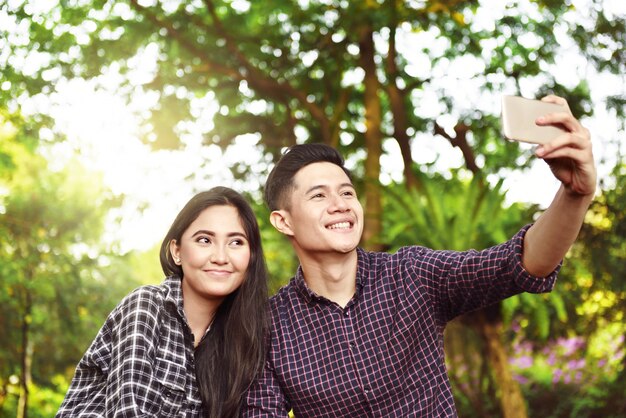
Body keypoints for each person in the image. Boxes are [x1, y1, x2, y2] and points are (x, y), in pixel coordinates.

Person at [242, 95, 596, 417]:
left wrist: (575, 195)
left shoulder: (412, 273)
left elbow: (520, 263)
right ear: (283, 221)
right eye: (319, 196)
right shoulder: (271, 327)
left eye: (347, 192)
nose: (340, 206)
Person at [56, 186, 268, 418]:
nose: (220, 257)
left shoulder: (242, 340)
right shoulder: (146, 306)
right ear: (177, 251)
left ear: (251, 256)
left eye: (236, 242)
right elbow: (129, 412)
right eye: (204, 240)